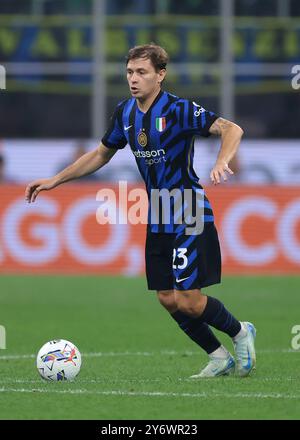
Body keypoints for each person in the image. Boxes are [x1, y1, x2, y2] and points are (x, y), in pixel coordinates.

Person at [25, 44, 256, 378]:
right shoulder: (125, 113)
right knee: (167, 297)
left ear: (160, 75)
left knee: (190, 300)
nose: (134, 79)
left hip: (188, 207)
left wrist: (222, 160)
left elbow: (232, 128)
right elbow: (101, 154)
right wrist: (55, 180)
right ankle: (218, 355)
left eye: (142, 72)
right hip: (159, 211)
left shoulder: (178, 109)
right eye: (130, 72)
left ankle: (240, 332)